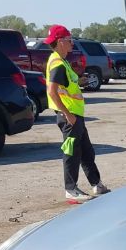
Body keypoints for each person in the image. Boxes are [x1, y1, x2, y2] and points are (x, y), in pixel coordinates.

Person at [43, 24, 109, 204]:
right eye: (69, 40)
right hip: (69, 116)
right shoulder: (57, 63)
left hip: (75, 115)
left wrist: (81, 80)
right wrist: (66, 114)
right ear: (60, 42)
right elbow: (52, 91)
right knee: (71, 152)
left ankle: (96, 183)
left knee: (87, 150)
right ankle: (71, 189)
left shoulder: (62, 61)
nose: (72, 43)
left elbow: (68, 84)